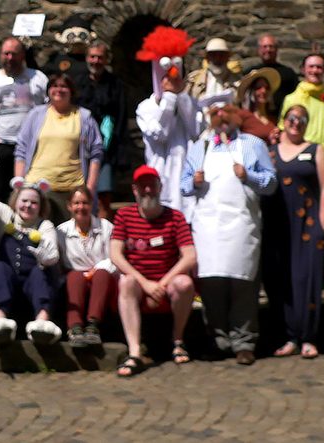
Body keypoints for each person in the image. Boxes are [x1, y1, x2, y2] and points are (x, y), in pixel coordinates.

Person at [180, 105, 275, 365]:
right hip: (209, 227)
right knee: (212, 285)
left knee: (243, 283)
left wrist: (249, 176)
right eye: (216, 114)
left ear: (237, 117)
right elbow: (183, 185)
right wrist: (194, 182)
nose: (222, 118)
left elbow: (271, 182)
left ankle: (244, 342)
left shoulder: (253, 145)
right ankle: (217, 341)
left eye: (227, 113)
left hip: (242, 225)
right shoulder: (199, 147)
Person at [112, 166, 197, 377]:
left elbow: (190, 256)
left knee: (185, 283)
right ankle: (134, 352)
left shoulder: (175, 217)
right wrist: (145, 283)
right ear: (135, 189)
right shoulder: (124, 215)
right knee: (126, 282)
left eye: (152, 185)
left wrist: (162, 284)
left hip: (166, 283)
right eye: (143, 185)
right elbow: (115, 255)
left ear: (160, 187)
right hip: (138, 284)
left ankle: (178, 341)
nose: (148, 190)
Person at [262, 104, 324, 360]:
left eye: (301, 119)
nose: (296, 123)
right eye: (292, 118)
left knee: (306, 277)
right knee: (279, 279)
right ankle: (288, 336)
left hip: (307, 225)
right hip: (277, 225)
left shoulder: (315, 150)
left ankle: (308, 337)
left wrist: (323, 224)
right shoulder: (269, 152)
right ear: (284, 120)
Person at [0, 178, 63, 346]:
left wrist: (46, 257)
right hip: (9, 283)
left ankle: (42, 322)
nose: (28, 205)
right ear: (16, 201)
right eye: (24, 201)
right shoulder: (6, 217)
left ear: (40, 206)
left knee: (41, 272)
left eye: (34, 203)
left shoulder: (45, 226)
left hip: (33, 284)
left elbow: (52, 253)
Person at [13, 73, 104, 223]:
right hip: (38, 187)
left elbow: (96, 153)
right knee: (39, 233)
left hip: (72, 189)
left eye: (64, 86)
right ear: (48, 90)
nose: (59, 90)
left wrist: (90, 187)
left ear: (71, 91)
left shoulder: (84, 116)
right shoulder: (35, 114)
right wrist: (20, 183)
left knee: (71, 234)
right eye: (54, 86)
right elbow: (21, 150)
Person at [135, 26, 201, 220]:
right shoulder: (145, 108)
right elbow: (160, 134)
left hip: (186, 177)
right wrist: (170, 97)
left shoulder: (189, 102)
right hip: (161, 178)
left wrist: (181, 96)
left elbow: (196, 130)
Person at [0, 37, 49, 203]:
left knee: (28, 195)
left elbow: (49, 107)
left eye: (14, 54)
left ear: (23, 55)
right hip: (0, 146)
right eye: (6, 53)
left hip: (31, 148)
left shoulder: (38, 78)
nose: (9, 58)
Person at [73, 41, 127, 219]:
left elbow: (121, 116)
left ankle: (103, 233)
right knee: (78, 195)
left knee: (104, 195)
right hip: (78, 148)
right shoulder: (77, 82)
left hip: (106, 149)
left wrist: (118, 150)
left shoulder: (116, 84)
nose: (96, 61)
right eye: (92, 57)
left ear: (106, 60)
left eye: (100, 57)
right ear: (86, 58)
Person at [55, 187, 115, 347]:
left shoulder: (106, 227)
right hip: (75, 277)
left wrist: (95, 270)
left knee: (102, 274)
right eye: (76, 203)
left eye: (85, 203)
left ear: (92, 204)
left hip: (101, 277)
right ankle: (74, 328)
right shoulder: (61, 231)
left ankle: (93, 327)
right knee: (74, 277)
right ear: (69, 206)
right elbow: (59, 263)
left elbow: (114, 258)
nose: (80, 207)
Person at [278, 53, 324, 150]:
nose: (315, 70)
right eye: (311, 66)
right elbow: (283, 130)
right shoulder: (291, 99)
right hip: (299, 152)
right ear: (303, 69)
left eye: (319, 67)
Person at [246, 34, 299, 119]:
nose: (268, 50)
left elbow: (296, 97)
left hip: (281, 117)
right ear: (259, 50)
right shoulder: (251, 73)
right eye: (264, 47)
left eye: (271, 47)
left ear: (276, 50)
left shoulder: (288, 73)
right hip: (255, 117)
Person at [185, 38, 242, 104]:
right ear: (207, 58)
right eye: (213, 55)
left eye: (221, 55)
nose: (217, 59)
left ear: (227, 58)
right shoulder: (193, 80)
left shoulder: (238, 83)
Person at [234, 67, 281, 144]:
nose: (263, 91)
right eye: (258, 87)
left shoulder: (273, 119)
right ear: (250, 91)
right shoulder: (242, 115)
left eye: (267, 88)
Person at [41, 15, 94, 81]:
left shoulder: (93, 60)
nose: (76, 40)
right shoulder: (56, 59)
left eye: (82, 36)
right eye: (71, 36)